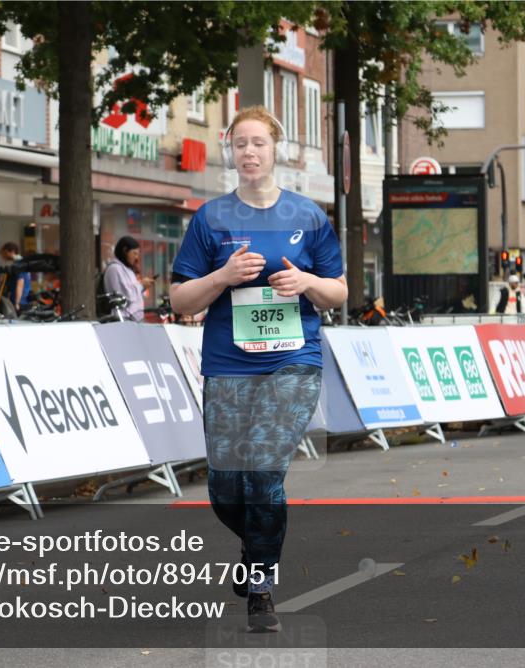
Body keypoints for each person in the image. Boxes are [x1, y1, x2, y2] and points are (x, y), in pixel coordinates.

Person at [169, 106, 346, 633]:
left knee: (265, 473)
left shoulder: (308, 216)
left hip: (294, 361)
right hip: (228, 366)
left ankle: (262, 588)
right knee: (227, 491)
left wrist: (306, 284)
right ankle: (253, 545)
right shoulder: (211, 218)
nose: (249, 152)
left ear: (277, 150)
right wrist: (222, 275)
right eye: (240, 144)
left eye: (259, 143)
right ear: (231, 151)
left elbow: (338, 292)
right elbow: (180, 299)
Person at [103, 236, 155, 322]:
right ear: (125, 250)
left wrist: (142, 287)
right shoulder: (115, 269)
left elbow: (133, 293)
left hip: (134, 320)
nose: (137, 257)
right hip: (123, 319)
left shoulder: (128, 270)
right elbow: (126, 295)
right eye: (134, 253)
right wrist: (141, 285)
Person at [0, 242, 30, 312]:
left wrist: (17, 302)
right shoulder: (21, 262)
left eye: (4, 253)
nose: (3, 256)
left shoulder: (19, 263)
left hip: (21, 301)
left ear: (9, 252)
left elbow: (20, 283)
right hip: (21, 299)